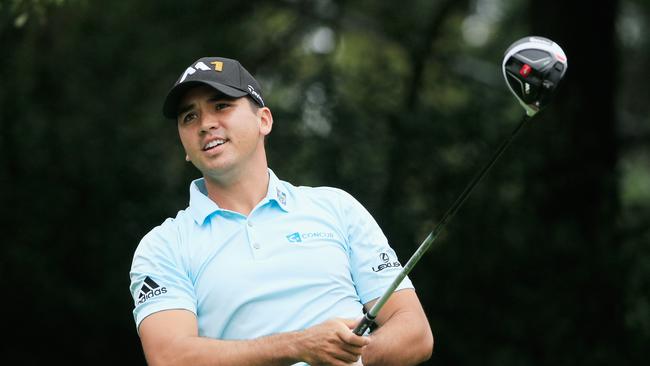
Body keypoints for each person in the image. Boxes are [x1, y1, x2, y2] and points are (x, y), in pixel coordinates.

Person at [129, 56, 433, 366]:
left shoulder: (336, 207)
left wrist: (348, 357)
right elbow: (170, 357)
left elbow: (414, 331)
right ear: (184, 145)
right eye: (189, 117)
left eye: (221, 106)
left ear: (264, 120)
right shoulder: (164, 246)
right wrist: (300, 346)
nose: (205, 124)